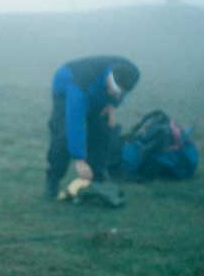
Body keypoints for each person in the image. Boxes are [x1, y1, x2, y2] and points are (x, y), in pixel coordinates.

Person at [45, 56, 140, 198]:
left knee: (102, 129)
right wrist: (79, 160)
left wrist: (112, 105)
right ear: (109, 77)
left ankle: (96, 177)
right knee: (64, 133)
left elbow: (119, 92)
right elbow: (75, 123)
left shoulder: (130, 72)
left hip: (97, 91)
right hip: (66, 86)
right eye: (113, 88)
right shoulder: (80, 85)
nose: (114, 93)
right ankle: (53, 179)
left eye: (119, 92)